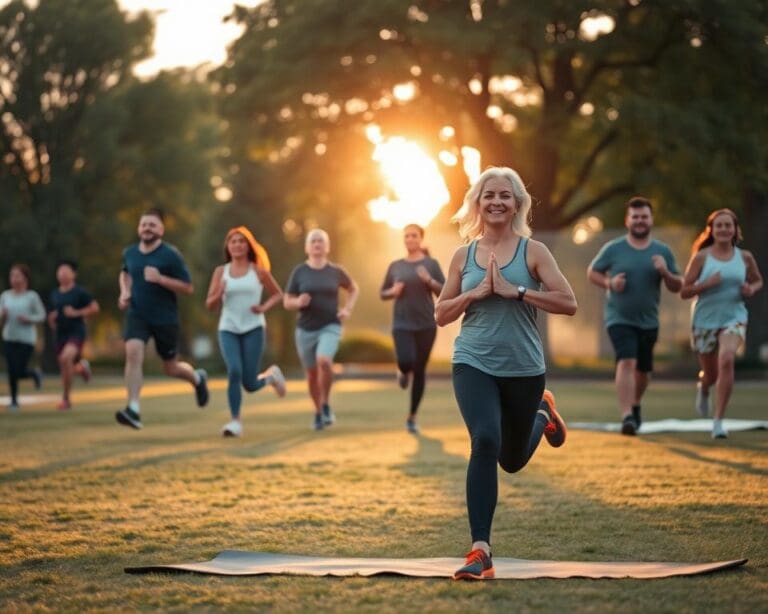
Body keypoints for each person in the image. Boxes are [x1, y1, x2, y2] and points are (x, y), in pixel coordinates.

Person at [435, 167, 577, 581]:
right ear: (477, 203)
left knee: (511, 461)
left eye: (505, 195)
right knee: (485, 440)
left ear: (517, 203)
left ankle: (543, 415)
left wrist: (514, 291)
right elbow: (441, 313)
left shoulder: (532, 252)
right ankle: (481, 550)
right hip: (473, 362)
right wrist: (474, 293)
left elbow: (568, 302)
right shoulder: (463, 255)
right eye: (488, 195)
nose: (496, 201)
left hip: (524, 369)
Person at [587, 196, 682, 435]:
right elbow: (592, 273)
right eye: (635, 217)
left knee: (644, 371)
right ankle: (627, 416)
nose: (640, 221)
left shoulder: (662, 251)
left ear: (651, 220)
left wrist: (665, 272)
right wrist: (609, 282)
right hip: (618, 317)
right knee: (626, 361)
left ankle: (635, 403)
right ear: (627, 220)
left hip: (649, 320)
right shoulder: (614, 248)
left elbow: (677, 286)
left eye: (644, 217)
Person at [115, 208, 209, 430]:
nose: (147, 228)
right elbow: (125, 272)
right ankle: (134, 409)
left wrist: (161, 279)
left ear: (161, 230)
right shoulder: (130, 252)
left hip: (165, 318)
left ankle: (197, 379)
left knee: (171, 368)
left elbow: (188, 287)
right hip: (138, 313)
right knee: (133, 352)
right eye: (143, 224)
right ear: (139, 228)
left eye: (152, 225)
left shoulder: (170, 255)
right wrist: (124, 292)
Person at [680, 209, 763, 439]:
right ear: (712, 230)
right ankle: (704, 386)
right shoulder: (701, 257)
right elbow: (684, 291)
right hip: (704, 321)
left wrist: (751, 288)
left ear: (735, 230)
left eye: (729, 225)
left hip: (734, 317)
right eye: (719, 226)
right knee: (711, 374)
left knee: (727, 359)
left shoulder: (744, 257)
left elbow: (757, 280)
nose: (724, 229)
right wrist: (706, 284)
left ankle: (718, 421)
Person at [205, 226, 287, 437]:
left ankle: (271, 376)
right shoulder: (220, 272)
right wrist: (219, 293)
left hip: (253, 328)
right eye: (233, 241)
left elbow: (278, 295)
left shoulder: (258, 271)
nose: (237, 245)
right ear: (228, 247)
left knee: (250, 384)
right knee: (234, 371)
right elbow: (210, 306)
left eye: (241, 241)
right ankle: (235, 422)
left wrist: (263, 308)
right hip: (228, 328)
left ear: (248, 246)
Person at [283, 228, 359, 431]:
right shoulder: (300, 272)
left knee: (324, 361)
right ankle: (318, 412)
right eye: (313, 241)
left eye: (320, 241)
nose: (317, 244)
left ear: (327, 246)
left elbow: (353, 289)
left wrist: (347, 309)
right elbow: (286, 301)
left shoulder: (336, 271)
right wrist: (298, 301)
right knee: (310, 375)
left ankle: (325, 404)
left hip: (330, 325)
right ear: (307, 247)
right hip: (305, 330)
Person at [380, 224, 445, 434]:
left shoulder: (431, 264)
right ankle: (402, 370)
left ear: (421, 239)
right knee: (407, 361)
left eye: (413, 236)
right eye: (406, 236)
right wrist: (393, 291)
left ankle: (412, 417)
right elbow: (383, 293)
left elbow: (444, 292)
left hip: (426, 323)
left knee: (420, 371)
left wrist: (429, 280)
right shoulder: (396, 265)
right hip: (401, 323)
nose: (409, 239)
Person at [47, 260, 100, 410]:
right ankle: (81, 369)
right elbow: (52, 316)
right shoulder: (55, 294)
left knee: (65, 358)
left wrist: (76, 312)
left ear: (73, 274)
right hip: (60, 334)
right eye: (60, 271)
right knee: (65, 365)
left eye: (66, 270)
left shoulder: (80, 292)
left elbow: (95, 308)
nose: (62, 273)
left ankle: (65, 399)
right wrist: (52, 319)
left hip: (76, 331)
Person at [0, 264, 45, 410]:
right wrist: (3, 316)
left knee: (19, 370)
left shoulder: (32, 296)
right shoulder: (5, 296)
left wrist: (29, 319)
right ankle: (14, 401)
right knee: (12, 371)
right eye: (12, 275)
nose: (14, 278)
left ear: (25, 278)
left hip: (26, 340)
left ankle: (34, 373)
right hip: (9, 338)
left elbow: (42, 315)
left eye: (17, 275)